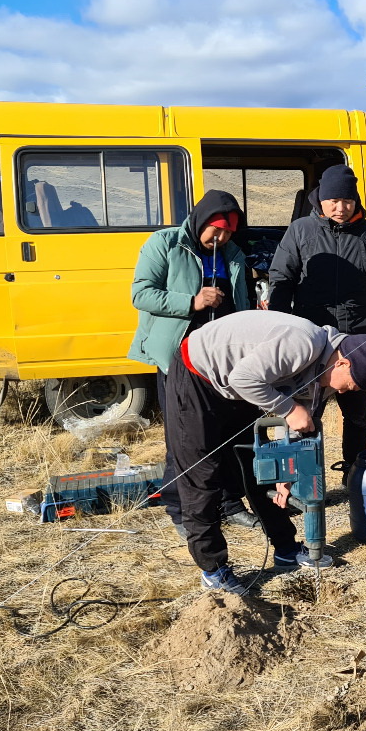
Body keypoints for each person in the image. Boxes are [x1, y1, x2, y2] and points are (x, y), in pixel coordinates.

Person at [168, 309, 366, 594]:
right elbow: (244, 379)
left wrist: (286, 475)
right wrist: (288, 408)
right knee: (202, 475)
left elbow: (298, 426)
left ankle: (286, 549)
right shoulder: (302, 343)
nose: (347, 392)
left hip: (237, 386)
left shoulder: (324, 376)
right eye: (352, 385)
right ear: (343, 363)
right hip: (197, 375)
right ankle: (213, 570)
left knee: (258, 464)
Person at [128, 189, 259, 536]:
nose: (221, 238)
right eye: (216, 230)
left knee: (228, 429)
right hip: (178, 354)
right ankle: (181, 509)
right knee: (183, 436)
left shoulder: (233, 254)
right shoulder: (165, 244)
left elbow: (240, 301)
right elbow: (141, 294)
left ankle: (231, 503)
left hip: (220, 358)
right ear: (202, 221)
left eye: (228, 232)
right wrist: (192, 301)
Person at [267, 164, 366, 484]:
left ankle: (353, 473)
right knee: (304, 413)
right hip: (310, 342)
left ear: (355, 201)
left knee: (357, 415)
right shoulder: (301, 231)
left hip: (358, 337)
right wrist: (279, 323)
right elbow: (281, 280)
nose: (340, 208)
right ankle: (302, 483)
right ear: (320, 201)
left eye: (347, 201)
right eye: (333, 201)